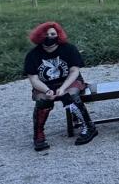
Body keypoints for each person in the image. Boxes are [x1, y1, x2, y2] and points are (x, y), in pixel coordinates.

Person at [23, 21, 94, 151]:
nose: (49, 37)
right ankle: (38, 134)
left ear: (58, 35)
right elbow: (33, 79)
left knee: (71, 94)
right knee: (42, 100)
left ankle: (88, 127)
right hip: (45, 85)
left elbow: (74, 71)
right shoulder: (33, 55)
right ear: (39, 36)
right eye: (46, 34)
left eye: (53, 34)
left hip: (69, 81)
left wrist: (62, 88)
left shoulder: (69, 49)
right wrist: (47, 90)